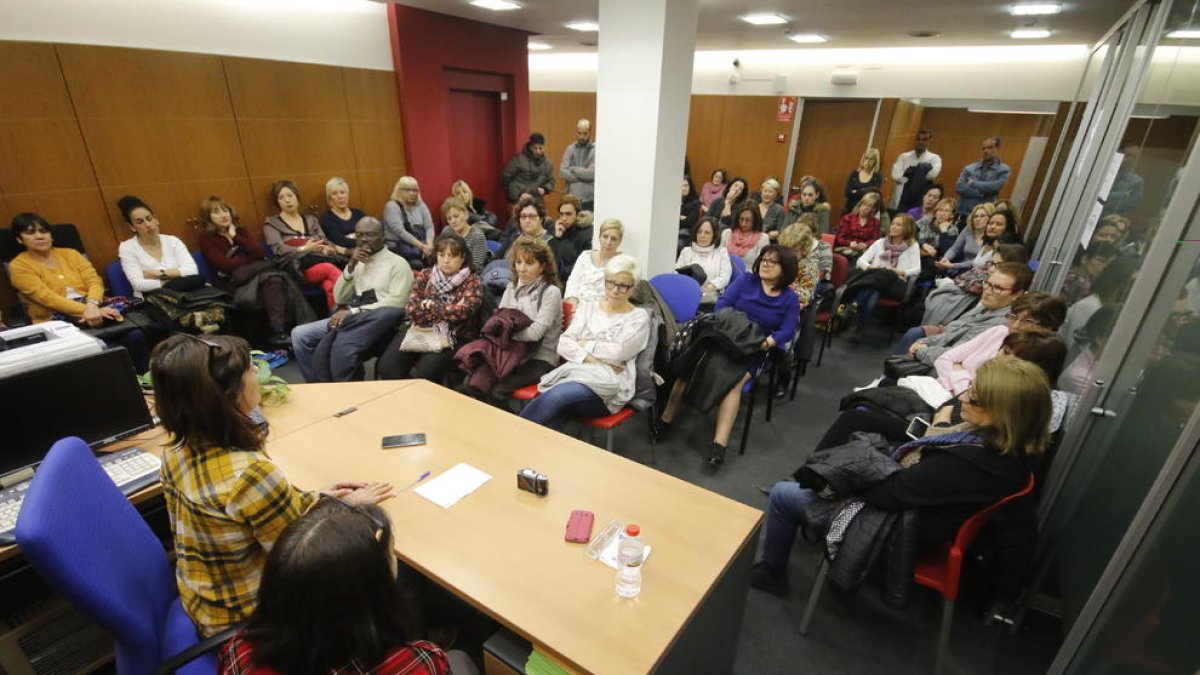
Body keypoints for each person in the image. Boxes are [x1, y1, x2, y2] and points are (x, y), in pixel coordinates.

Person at [151, 333, 392, 636]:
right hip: (249, 616)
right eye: (251, 369)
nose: (258, 374)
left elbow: (269, 518)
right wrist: (350, 514)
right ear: (229, 395)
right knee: (382, 563)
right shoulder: (251, 474)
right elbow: (301, 557)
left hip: (203, 596)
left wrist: (326, 500)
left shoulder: (176, 450)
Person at [751, 356, 1048, 595]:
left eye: (976, 397)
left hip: (903, 528)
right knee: (852, 446)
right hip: (920, 512)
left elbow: (886, 495)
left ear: (1004, 413)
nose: (964, 399)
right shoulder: (1005, 448)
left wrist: (851, 474)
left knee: (783, 494)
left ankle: (772, 573)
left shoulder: (971, 463)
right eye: (971, 388)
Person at [218, 500, 455, 675]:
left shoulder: (239, 652)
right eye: (388, 556)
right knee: (463, 659)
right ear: (372, 587)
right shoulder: (417, 663)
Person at [659, 246, 800, 466]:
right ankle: (666, 419)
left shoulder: (789, 298)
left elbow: (788, 329)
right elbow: (723, 305)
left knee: (733, 383)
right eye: (764, 259)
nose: (766, 263)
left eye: (773, 262)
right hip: (724, 335)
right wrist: (732, 324)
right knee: (690, 367)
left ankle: (719, 444)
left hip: (754, 347)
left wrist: (767, 342)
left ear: (786, 270)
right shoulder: (747, 280)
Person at [520, 254, 650, 431]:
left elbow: (620, 352)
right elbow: (563, 344)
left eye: (623, 286)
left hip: (610, 388)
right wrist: (595, 359)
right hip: (578, 373)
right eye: (610, 282)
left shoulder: (638, 318)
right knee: (555, 412)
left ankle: (512, 436)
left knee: (558, 397)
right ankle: (525, 452)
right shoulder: (588, 307)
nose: (614, 290)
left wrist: (584, 344)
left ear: (632, 288)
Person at [8, 212, 150, 370]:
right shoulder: (19, 266)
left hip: (94, 308)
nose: (39, 236)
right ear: (19, 239)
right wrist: (90, 311)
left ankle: (145, 382)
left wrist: (92, 305)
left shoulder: (71, 254)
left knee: (136, 335)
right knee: (102, 348)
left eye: (43, 231)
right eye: (30, 232)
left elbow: (94, 281)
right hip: (55, 321)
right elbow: (48, 298)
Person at [291, 218, 413, 383]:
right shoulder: (358, 263)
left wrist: (355, 311)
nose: (363, 239)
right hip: (352, 317)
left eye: (370, 235)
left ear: (382, 236)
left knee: (339, 346)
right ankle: (317, 386)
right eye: (359, 235)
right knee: (299, 335)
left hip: (380, 322)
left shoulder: (397, 264)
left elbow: (397, 303)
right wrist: (351, 265)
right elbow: (339, 297)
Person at [198, 196, 314, 348]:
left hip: (257, 279)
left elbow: (258, 252)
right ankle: (302, 328)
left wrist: (235, 237)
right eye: (216, 212)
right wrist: (252, 262)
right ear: (208, 217)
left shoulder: (240, 232)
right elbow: (225, 265)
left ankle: (280, 332)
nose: (223, 215)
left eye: (225, 210)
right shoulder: (206, 238)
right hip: (232, 286)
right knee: (276, 276)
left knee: (274, 279)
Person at [466, 236, 563, 401]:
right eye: (518, 262)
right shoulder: (512, 286)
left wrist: (505, 335)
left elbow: (535, 334)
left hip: (540, 358)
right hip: (511, 351)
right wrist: (503, 335)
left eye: (529, 263)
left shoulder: (551, 292)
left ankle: (508, 425)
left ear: (543, 267)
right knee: (473, 382)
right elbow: (499, 319)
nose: (522, 269)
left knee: (497, 391)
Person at [377, 232, 483, 383]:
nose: (446, 261)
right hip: (421, 329)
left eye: (452, 256)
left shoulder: (473, 281)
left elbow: (464, 312)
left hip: (455, 335)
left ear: (463, 258)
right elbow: (411, 308)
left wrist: (431, 305)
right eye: (441, 255)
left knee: (427, 373)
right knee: (387, 368)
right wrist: (445, 310)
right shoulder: (426, 274)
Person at [896, 262, 1033, 367]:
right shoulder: (988, 306)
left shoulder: (1000, 323)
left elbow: (954, 354)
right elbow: (951, 331)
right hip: (939, 352)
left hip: (943, 370)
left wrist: (921, 350)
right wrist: (924, 342)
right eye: (987, 283)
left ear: (1018, 295)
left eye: (997, 288)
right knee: (915, 336)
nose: (987, 290)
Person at [935, 292, 1066, 396]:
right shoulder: (998, 331)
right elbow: (944, 359)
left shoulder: (1037, 355)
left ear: (1050, 327)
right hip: (939, 391)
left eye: (1028, 321)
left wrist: (959, 372)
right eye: (1014, 317)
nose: (1015, 326)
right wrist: (963, 385)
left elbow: (985, 396)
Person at [839, 214, 921, 342]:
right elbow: (861, 260)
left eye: (898, 225)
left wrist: (901, 272)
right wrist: (870, 268)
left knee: (882, 276)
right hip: (875, 282)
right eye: (893, 223)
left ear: (907, 229)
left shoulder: (912, 246)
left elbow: (917, 269)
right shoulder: (880, 242)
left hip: (895, 283)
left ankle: (852, 304)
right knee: (872, 294)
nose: (893, 226)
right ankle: (859, 329)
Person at [263, 180, 342, 309]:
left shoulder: (311, 220)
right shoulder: (271, 224)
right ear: (277, 202)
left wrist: (326, 248)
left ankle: (339, 319)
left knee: (330, 285)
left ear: (297, 197)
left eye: (290, 195)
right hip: (297, 268)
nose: (287, 200)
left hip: (319, 259)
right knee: (329, 269)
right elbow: (278, 249)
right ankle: (358, 302)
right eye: (281, 197)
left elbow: (324, 240)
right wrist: (304, 248)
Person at [921, 242, 1028, 327]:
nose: (991, 269)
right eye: (992, 263)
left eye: (999, 265)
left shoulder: (1006, 314)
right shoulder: (986, 276)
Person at [116, 195, 198, 298]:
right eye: (140, 222)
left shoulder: (173, 241)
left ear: (156, 219)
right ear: (131, 227)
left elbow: (192, 271)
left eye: (149, 218)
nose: (148, 225)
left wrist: (157, 274)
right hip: (151, 299)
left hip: (184, 293)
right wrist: (174, 279)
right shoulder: (127, 248)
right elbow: (138, 284)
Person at [1059, 256, 1137, 363]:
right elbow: (1073, 354)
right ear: (1119, 282)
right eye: (1132, 284)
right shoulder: (1091, 307)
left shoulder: (1112, 310)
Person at [564, 218, 624, 309]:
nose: (608, 242)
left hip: (602, 310)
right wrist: (572, 300)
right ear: (599, 237)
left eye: (613, 239)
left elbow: (618, 294)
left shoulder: (621, 263)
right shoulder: (585, 256)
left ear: (619, 241)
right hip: (576, 306)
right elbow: (573, 282)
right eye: (605, 236)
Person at [382, 176, 436, 271]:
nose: (412, 193)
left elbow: (429, 227)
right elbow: (400, 231)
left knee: (436, 260)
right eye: (407, 190)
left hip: (420, 245)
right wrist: (422, 246)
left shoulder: (421, 205)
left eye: (415, 190)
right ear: (399, 190)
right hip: (400, 247)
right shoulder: (392, 206)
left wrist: (429, 246)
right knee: (418, 265)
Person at [676, 217, 733, 304]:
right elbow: (677, 273)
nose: (702, 235)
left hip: (711, 297)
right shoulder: (686, 251)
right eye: (699, 232)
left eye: (707, 233)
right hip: (687, 294)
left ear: (714, 235)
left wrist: (709, 287)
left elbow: (725, 277)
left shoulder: (722, 252)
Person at [890, 128, 943, 214]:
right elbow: (895, 175)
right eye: (919, 139)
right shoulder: (903, 156)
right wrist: (921, 172)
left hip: (920, 200)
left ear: (929, 141)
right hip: (900, 199)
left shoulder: (935, 158)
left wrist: (909, 174)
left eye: (924, 139)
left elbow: (932, 175)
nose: (921, 142)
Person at [955, 136, 1011, 218]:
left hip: (983, 215)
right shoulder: (969, 168)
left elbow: (995, 187)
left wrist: (974, 184)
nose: (986, 151)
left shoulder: (1003, 169)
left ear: (997, 148)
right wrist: (982, 192)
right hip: (963, 211)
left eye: (990, 147)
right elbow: (959, 188)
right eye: (984, 148)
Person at [937, 202, 994, 275]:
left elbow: (978, 261)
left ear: (990, 218)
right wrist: (945, 259)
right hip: (961, 269)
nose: (978, 219)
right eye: (975, 216)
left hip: (980, 271)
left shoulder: (992, 236)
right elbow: (954, 249)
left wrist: (954, 266)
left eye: (982, 216)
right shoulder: (968, 229)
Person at [501, 132, 555, 204]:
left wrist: (545, 189)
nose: (538, 151)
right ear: (530, 147)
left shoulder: (548, 164)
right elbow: (506, 177)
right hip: (518, 199)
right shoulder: (518, 159)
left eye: (540, 148)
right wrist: (516, 193)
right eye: (535, 148)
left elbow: (551, 181)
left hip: (536, 199)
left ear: (543, 148)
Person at [777, 220, 821, 307]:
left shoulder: (810, 267)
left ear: (804, 249)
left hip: (792, 305)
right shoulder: (778, 259)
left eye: (795, 251)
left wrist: (784, 290)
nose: (789, 254)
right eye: (786, 249)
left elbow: (806, 295)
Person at [1061, 242, 1119, 306]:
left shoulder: (1090, 281)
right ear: (1085, 259)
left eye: (1109, 265)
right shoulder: (1074, 279)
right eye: (1101, 261)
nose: (1105, 266)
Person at [552, 194, 593, 280]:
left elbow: (586, 263)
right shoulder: (559, 230)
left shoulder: (587, 233)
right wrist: (556, 238)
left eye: (568, 214)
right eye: (561, 214)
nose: (564, 218)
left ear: (578, 214)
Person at [833, 193, 883, 265]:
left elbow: (875, 240)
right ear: (860, 204)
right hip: (846, 248)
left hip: (864, 251)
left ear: (874, 209)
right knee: (854, 257)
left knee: (865, 258)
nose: (865, 208)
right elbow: (840, 238)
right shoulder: (847, 218)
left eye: (869, 206)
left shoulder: (876, 223)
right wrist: (849, 243)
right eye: (864, 204)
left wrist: (866, 244)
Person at [319, 177, 364, 254]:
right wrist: (361, 239)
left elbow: (371, 232)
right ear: (330, 198)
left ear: (347, 195)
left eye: (343, 192)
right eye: (334, 194)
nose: (340, 197)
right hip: (346, 257)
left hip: (367, 250)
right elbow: (340, 241)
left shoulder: (358, 213)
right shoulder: (327, 219)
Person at [441, 196, 488, 270]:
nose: (453, 221)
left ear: (466, 215)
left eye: (456, 216)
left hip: (468, 276)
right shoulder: (447, 231)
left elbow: (476, 267)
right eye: (449, 219)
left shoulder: (478, 236)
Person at [560, 119, 596, 212]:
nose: (582, 136)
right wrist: (582, 178)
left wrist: (573, 168)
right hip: (571, 198)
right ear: (576, 132)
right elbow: (563, 171)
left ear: (590, 133)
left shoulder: (595, 150)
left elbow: (592, 174)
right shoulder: (570, 149)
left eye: (585, 133)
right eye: (579, 133)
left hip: (589, 199)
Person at [721, 203, 771, 270]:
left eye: (748, 220)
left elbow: (759, 266)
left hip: (748, 276)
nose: (743, 224)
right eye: (741, 219)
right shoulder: (727, 233)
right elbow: (718, 259)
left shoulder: (763, 238)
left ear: (755, 220)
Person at [1104, 143, 1144, 216]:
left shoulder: (1136, 182)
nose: (1124, 160)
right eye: (1123, 154)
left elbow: (1128, 205)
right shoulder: (1098, 173)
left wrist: (1107, 198)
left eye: (1130, 157)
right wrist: (1120, 195)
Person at [844, 148, 883, 216]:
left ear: (875, 161)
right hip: (849, 208)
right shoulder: (854, 174)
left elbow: (873, 194)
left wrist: (856, 191)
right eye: (866, 158)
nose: (867, 161)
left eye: (871, 159)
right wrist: (864, 191)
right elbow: (847, 192)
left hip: (866, 211)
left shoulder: (877, 177)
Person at [679, 177, 701, 249]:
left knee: (678, 244)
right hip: (670, 230)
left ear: (690, 187)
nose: (683, 188)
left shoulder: (695, 203)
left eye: (686, 185)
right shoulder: (672, 201)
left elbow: (689, 222)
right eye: (681, 185)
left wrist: (678, 218)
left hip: (686, 233)